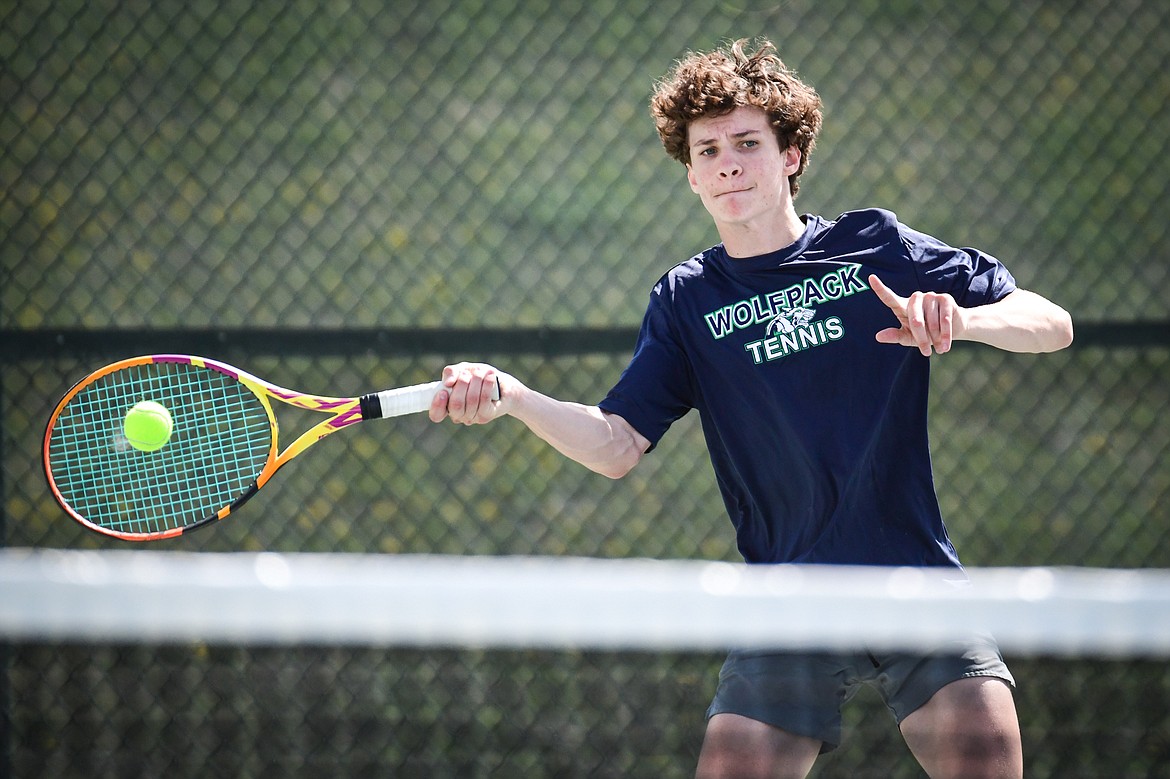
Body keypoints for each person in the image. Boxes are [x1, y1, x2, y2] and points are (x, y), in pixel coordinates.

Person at [429, 38, 1073, 778]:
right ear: (693, 178)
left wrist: (965, 320)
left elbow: (1052, 323)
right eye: (707, 151)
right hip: (784, 600)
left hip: (914, 581)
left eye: (746, 142)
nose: (727, 162)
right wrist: (513, 396)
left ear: (791, 155)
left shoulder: (875, 246)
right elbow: (614, 444)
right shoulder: (686, 300)